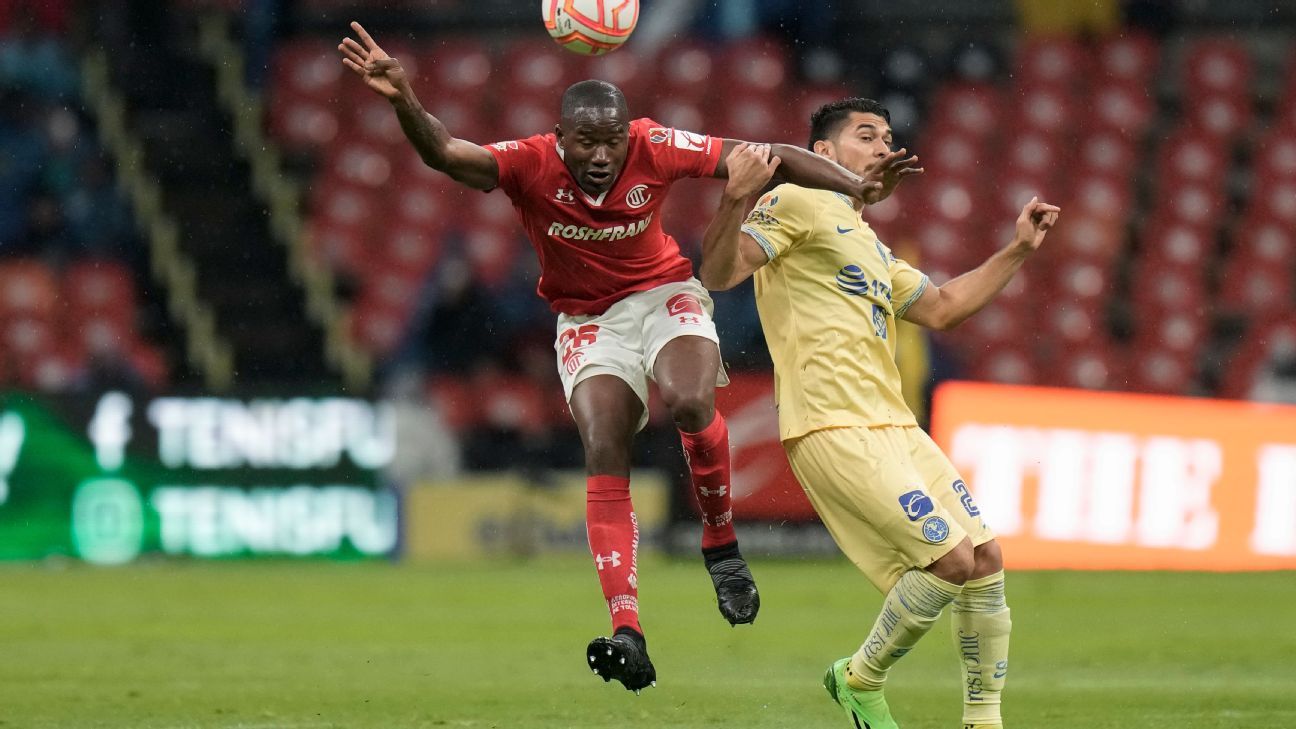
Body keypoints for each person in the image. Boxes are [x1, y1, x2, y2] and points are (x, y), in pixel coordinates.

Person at [336, 23, 909, 692]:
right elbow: (446, 154)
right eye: (587, 141)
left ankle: (720, 541)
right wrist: (404, 95)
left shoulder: (653, 143)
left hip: (663, 292)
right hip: (586, 320)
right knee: (604, 443)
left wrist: (855, 187)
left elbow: (775, 152)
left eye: (611, 139)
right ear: (560, 137)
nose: (603, 154)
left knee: (693, 400)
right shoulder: (529, 161)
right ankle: (628, 629)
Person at [698, 97, 1059, 729]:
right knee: (946, 560)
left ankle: (983, 720)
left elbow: (943, 306)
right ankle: (859, 679)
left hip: (893, 423)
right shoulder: (793, 201)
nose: (882, 146)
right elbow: (723, 271)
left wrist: (1018, 249)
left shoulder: (865, 240)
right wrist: (735, 198)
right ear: (825, 155)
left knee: (984, 560)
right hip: (831, 421)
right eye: (867, 136)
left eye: (888, 136)